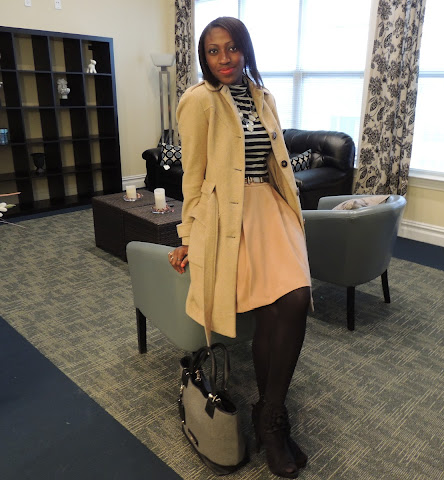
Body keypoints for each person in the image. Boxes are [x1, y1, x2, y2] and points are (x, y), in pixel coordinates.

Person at [168, 17, 311, 479]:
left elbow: (275, 161)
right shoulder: (198, 101)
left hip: (271, 209)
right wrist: (187, 237)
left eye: (231, 48)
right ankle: (273, 423)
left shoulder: (263, 96)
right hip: (229, 217)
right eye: (213, 51)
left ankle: (268, 414)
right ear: (203, 57)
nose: (224, 58)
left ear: (245, 50)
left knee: (296, 299)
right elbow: (192, 176)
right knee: (270, 309)